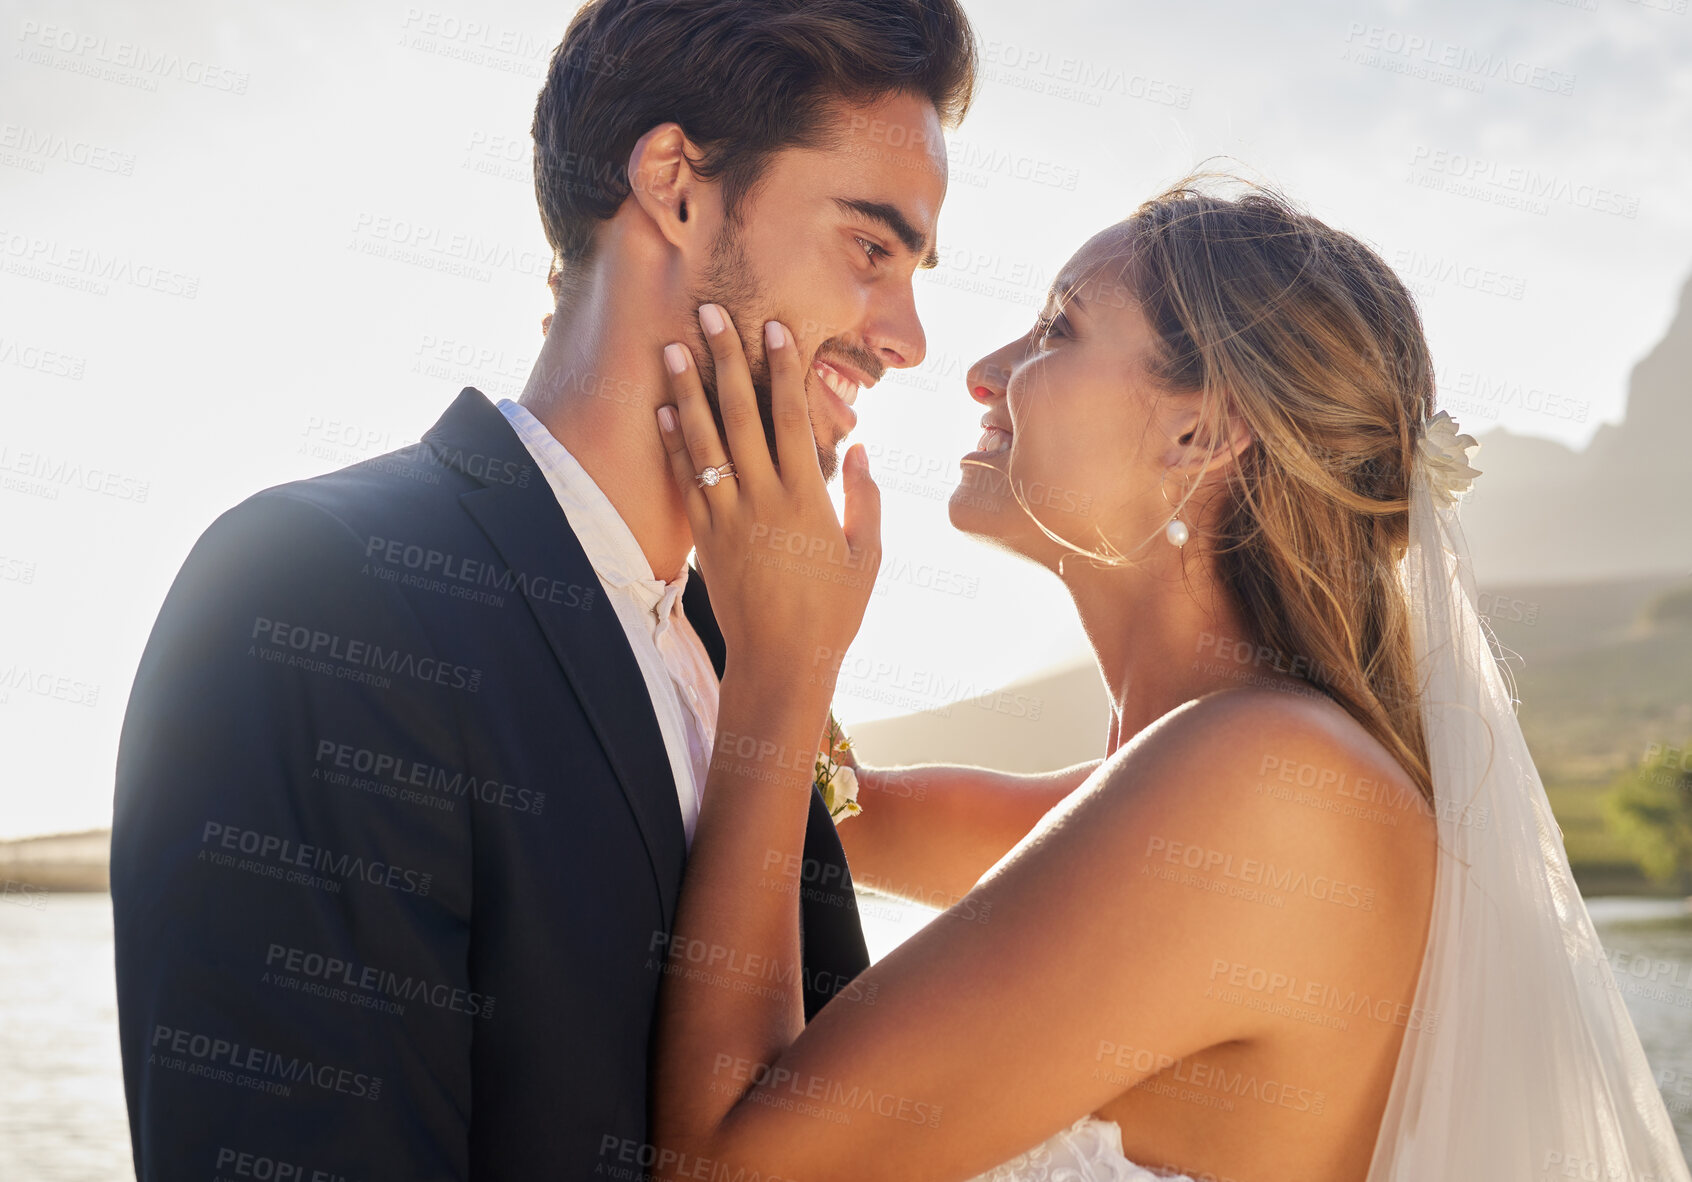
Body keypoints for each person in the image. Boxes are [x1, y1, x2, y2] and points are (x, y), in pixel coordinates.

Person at [647, 180, 1692, 1181]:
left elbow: (728, 1167)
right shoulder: (1174, 788)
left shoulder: (1264, 789)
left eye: (1058, 330)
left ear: (1201, 432)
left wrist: (788, 665)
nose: (981, 372)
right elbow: (838, 815)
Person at [108, 2, 977, 1178]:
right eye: (872, 250)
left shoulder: (751, 647)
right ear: (674, 185)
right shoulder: (315, 597)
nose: (909, 337)